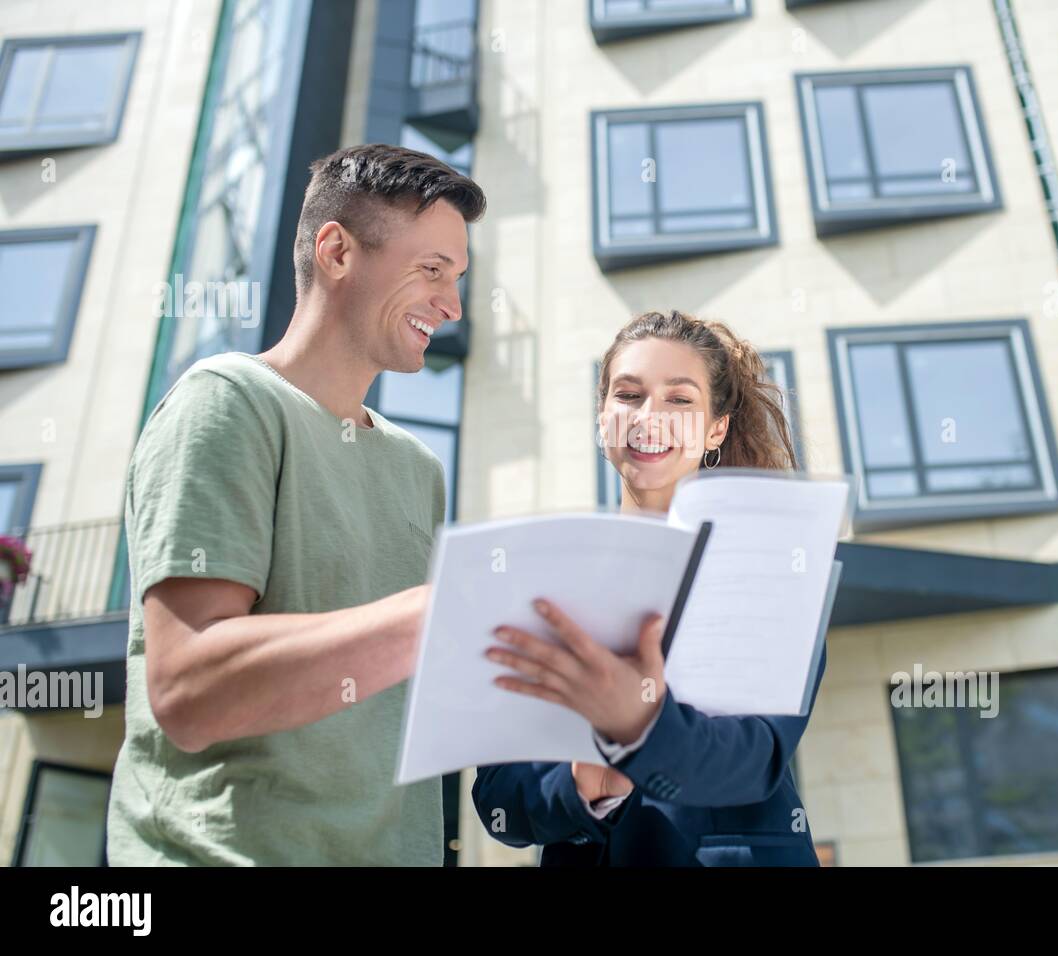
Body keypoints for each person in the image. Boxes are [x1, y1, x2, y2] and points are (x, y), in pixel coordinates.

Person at [106, 143, 485, 865]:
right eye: (433, 270)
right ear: (338, 252)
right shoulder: (228, 403)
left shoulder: (418, 470)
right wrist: (450, 606)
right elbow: (188, 687)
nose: (453, 305)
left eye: (458, 278)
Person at [472, 310, 826, 866]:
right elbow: (499, 800)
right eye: (629, 395)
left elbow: (756, 758)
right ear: (602, 416)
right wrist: (585, 780)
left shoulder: (772, 573)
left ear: (717, 428)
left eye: (680, 400)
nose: (649, 418)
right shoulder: (544, 584)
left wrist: (640, 731)